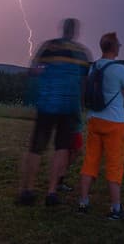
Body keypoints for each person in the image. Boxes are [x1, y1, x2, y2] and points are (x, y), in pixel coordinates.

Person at [17, 18, 91, 207]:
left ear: (62, 29)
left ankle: (29, 190)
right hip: (68, 107)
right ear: (75, 32)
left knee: (36, 148)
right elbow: (84, 83)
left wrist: (44, 77)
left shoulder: (48, 47)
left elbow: (33, 71)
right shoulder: (82, 52)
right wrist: (80, 105)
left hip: (46, 104)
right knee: (61, 149)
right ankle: (51, 192)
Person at [78, 32, 124, 220]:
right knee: (114, 165)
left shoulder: (93, 67)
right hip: (114, 122)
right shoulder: (119, 69)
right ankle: (115, 208)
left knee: (90, 162)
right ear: (114, 48)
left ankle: (83, 202)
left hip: (94, 119)